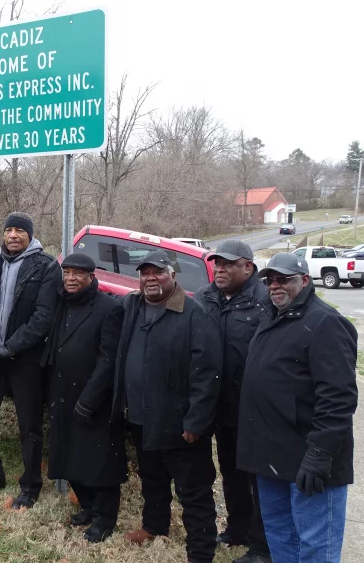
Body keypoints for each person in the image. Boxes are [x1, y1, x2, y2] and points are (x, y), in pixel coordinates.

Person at [237, 253, 358, 563]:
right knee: (281, 536)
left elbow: (339, 397)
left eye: (285, 279)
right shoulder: (273, 317)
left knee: (316, 545)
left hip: (309, 460)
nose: (275, 286)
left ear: (305, 280)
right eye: (270, 280)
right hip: (272, 457)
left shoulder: (325, 322)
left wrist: (320, 454)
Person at [113, 249, 222, 563]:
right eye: (145, 272)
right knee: (153, 478)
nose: (150, 278)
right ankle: (154, 526)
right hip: (141, 416)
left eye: (158, 272)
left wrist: (197, 422)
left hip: (179, 423)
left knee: (194, 491)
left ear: (173, 275)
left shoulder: (193, 314)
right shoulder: (132, 306)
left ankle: (200, 552)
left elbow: (207, 373)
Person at [0, 212, 60, 508]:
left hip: (26, 359)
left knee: (29, 426)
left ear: (30, 235)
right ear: (3, 234)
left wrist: (12, 347)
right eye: (9, 230)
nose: (14, 235)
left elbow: (43, 317)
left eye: (20, 231)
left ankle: (30, 485)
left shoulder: (46, 267)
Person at [193, 241, 271, 563]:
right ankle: (236, 529)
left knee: (258, 479)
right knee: (230, 471)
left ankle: (261, 545)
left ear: (248, 267)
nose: (220, 269)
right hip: (218, 406)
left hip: (253, 409)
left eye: (228, 264)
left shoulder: (265, 302)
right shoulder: (205, 298)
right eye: (217, 264)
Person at [42, 252, 125, 543]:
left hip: (93, 399)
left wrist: (89, 400)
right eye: (67, 273)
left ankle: (105, 517)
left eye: (78, 274)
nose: (71, 279)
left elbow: (108, 360)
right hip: (62, 393)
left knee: (98, 461)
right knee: (69, 456)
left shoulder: (108, 309)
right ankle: (88, 507)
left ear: (91, 277)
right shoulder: (62, 303)